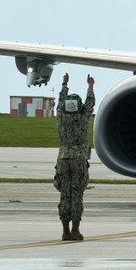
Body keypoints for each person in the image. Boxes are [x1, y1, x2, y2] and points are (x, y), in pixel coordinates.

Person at [54, 73, 95, 241]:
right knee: (77, 194)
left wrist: (64, 84)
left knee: (65, 194)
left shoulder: (61, 117)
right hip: (78, 159)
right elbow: (90, 104)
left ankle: (65, 231)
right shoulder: (82, 118)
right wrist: (90, 86)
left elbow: (59, 103)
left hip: (63, 159)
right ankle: (75, 230)